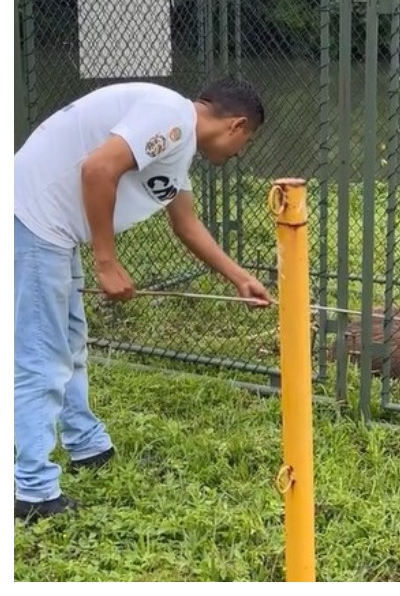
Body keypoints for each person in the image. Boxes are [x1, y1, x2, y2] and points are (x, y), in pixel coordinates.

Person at [13, 77, 274, 522]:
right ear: (236, 125)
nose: (239, 154)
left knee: (70, 343)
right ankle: (32, 492)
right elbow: (97, 169)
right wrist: (106, 261)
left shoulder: (174, 144)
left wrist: (239, 277)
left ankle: (87, 445)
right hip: (33, 222)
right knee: (42, 356)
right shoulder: (170, 115)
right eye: (245, 143)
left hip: (52, 231)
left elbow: (186, 224)